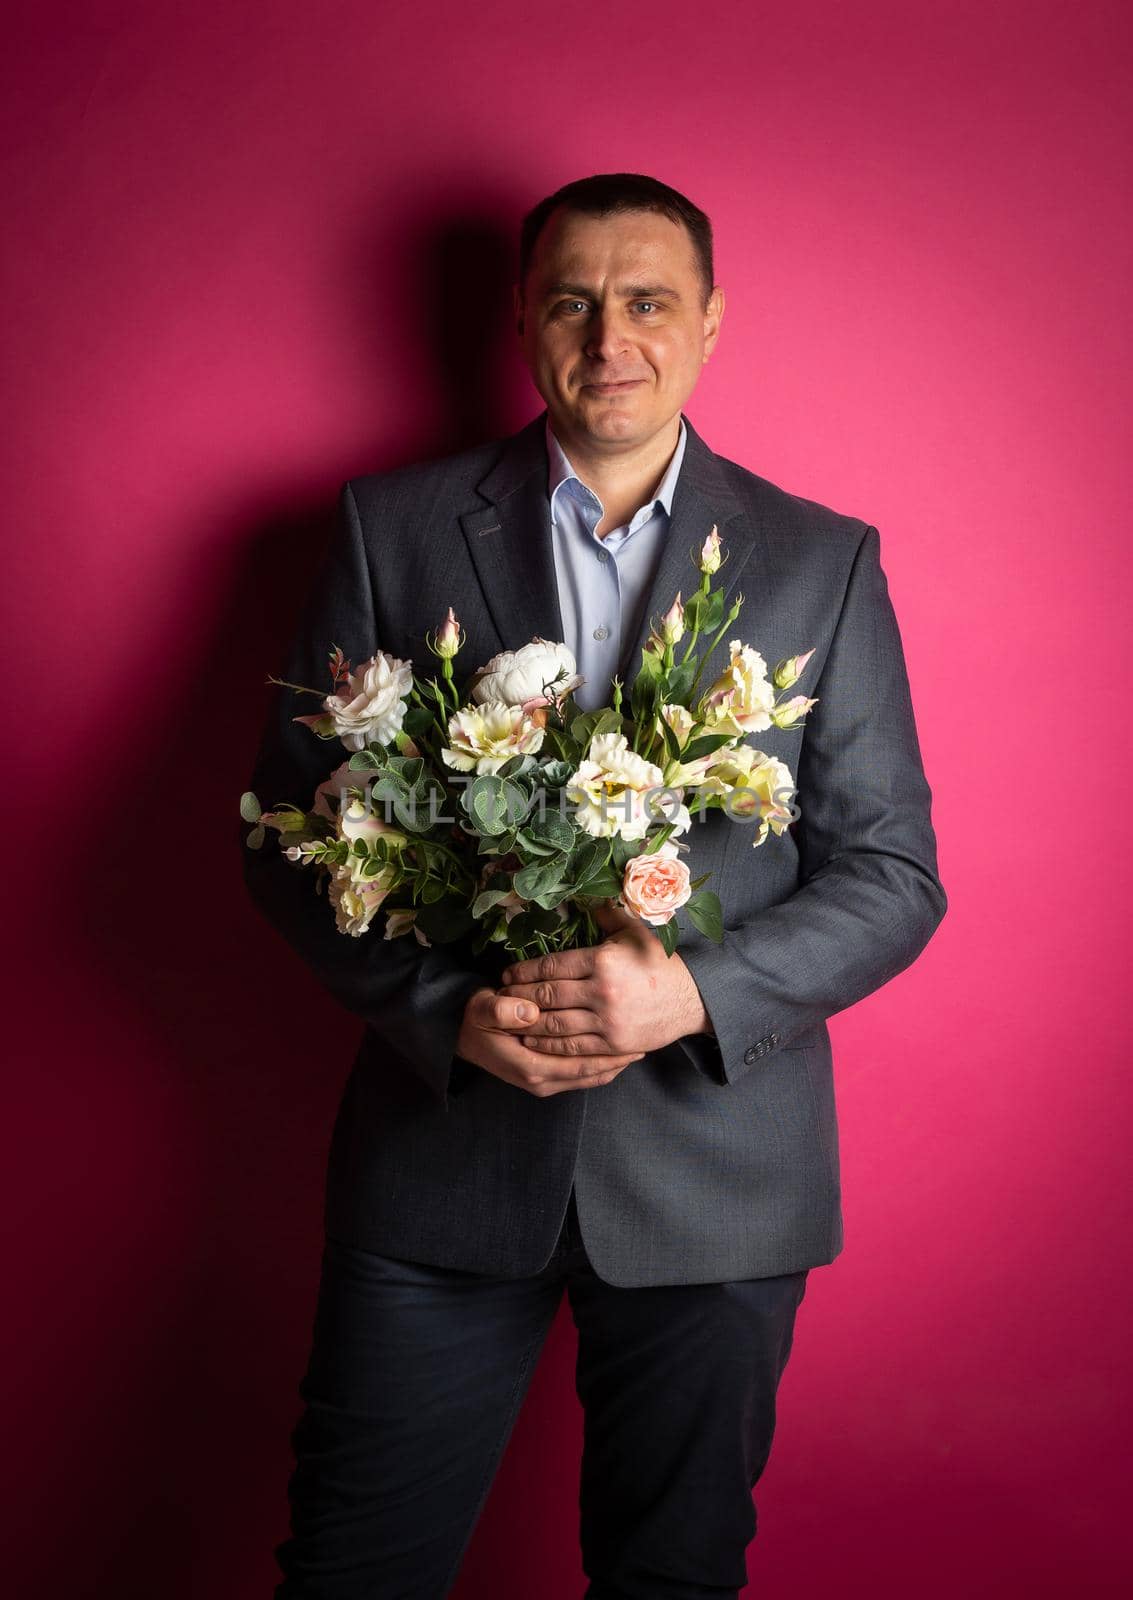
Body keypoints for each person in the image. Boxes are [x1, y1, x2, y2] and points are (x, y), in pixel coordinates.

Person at [243, 171, 947, 1599]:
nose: (608, 333)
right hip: (442, 1164)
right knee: (351, 1570)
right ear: (520, 320)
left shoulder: (822, 562)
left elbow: (891, 873)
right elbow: (288, 834)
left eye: (645, 300)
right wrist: (445, 1010)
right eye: (571, 299)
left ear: (706, 325)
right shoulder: (391, 527)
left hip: (718, 1181)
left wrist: (688, 991)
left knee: (672, 1579)